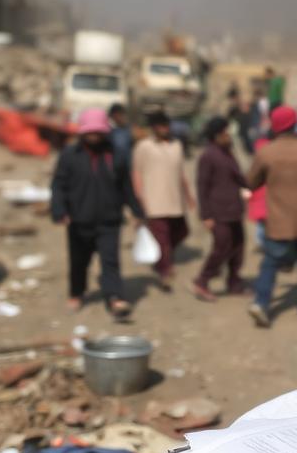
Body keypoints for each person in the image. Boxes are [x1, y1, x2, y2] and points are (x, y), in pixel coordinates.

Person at [50, 108, 142, 318]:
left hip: (109, 220)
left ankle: (115, 297)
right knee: (79, 261)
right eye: (90, 132)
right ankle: (76, 293)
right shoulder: (70, 155)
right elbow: (58, 185)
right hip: (78, 220)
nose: (94, 136)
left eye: (98, 132)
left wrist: (137, 211)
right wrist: (59, 209)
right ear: (83, 132)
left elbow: (126, 187)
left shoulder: (116, 155)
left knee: (110, 261)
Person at [246, 104, 297, 326]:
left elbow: (251, 182)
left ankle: (261, 302)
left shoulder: (265, 152)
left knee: (270, 262)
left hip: (278, 219)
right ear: (295, 124)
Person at [132, 110, 194, 291]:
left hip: (175, 200)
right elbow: (136, 173)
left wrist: (188, 196)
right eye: (160, 126)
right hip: (154, 201)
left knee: (182, 232)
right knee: (162, 239)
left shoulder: (177, 145)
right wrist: (139, 197)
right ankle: (164, 270)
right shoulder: (143, 147)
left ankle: (161, 258)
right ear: (153, 128)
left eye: (166, 125)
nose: (164, 129)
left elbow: (180, 173)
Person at [192, 116, 247, 302]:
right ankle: (202, 281)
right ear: (216, 135)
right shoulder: (208, 156)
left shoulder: (228, 153)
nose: (228, 135)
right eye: (225, 132)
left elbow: (240, 178)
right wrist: (206, 215)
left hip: (234, 210)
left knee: (238, 247)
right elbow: (202, 186)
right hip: (218, 212)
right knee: (222, 247)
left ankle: (234, 282)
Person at [107, 103, 132, 168]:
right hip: (114, 166)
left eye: (120, 114)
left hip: (128, 166)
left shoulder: (129, 130)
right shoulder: (109, 131)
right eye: (115, 115)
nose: (118, 117)